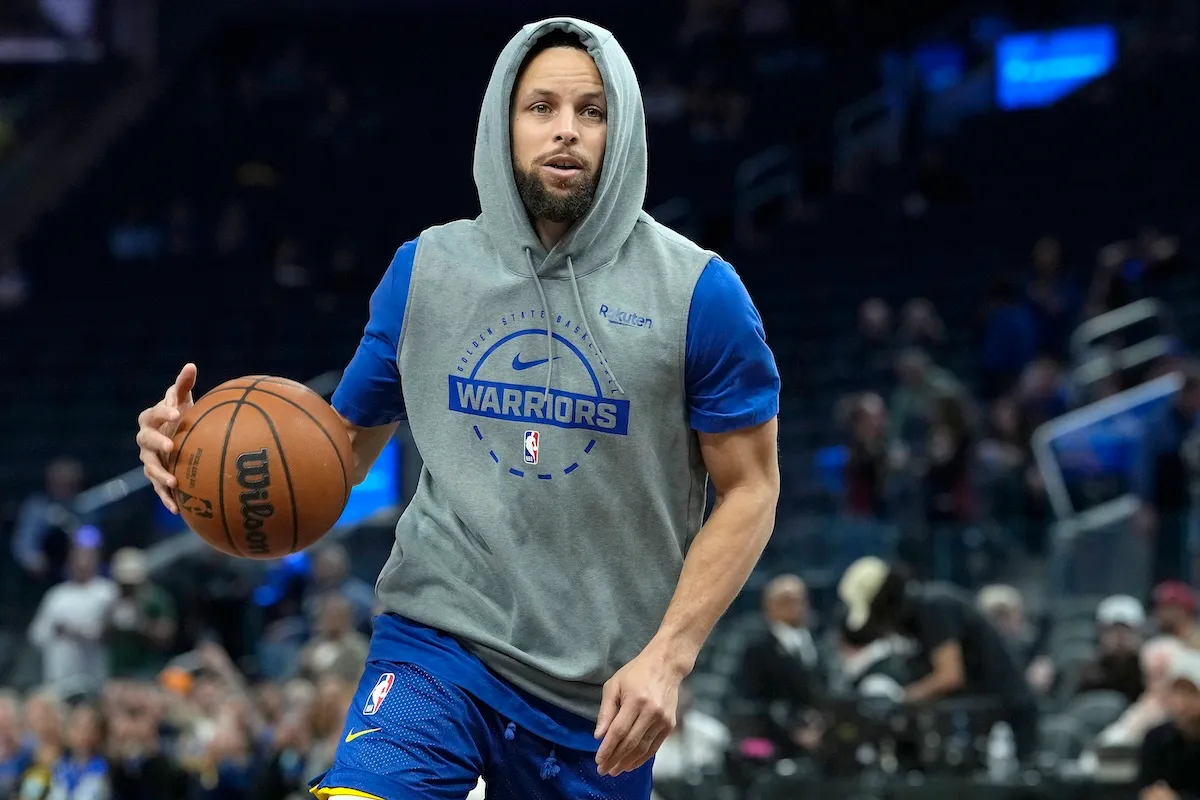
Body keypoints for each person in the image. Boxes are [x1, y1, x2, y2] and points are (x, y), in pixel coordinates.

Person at [134, 17, 780, 800]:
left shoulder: (699, 294)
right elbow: (334, 452)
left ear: (626, 129)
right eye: (540, 107)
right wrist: (200, 457)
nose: (566, 132)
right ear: (502, 123)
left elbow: (751, 490)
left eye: (592, 111)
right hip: (436, 641)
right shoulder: (426, 272)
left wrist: (668, 657)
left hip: (600, 694)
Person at [837, 557, 1039, 759]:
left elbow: (950, 675)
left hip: (1009, 717)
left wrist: (900, 700)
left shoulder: (934, 607)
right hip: (980, 717)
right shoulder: (910, 623)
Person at [1138, 649, 1200, 799]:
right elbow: (1146, 787)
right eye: (1176, 693)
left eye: (1190, 694)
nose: (1181, 703)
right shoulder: (1156, 738)